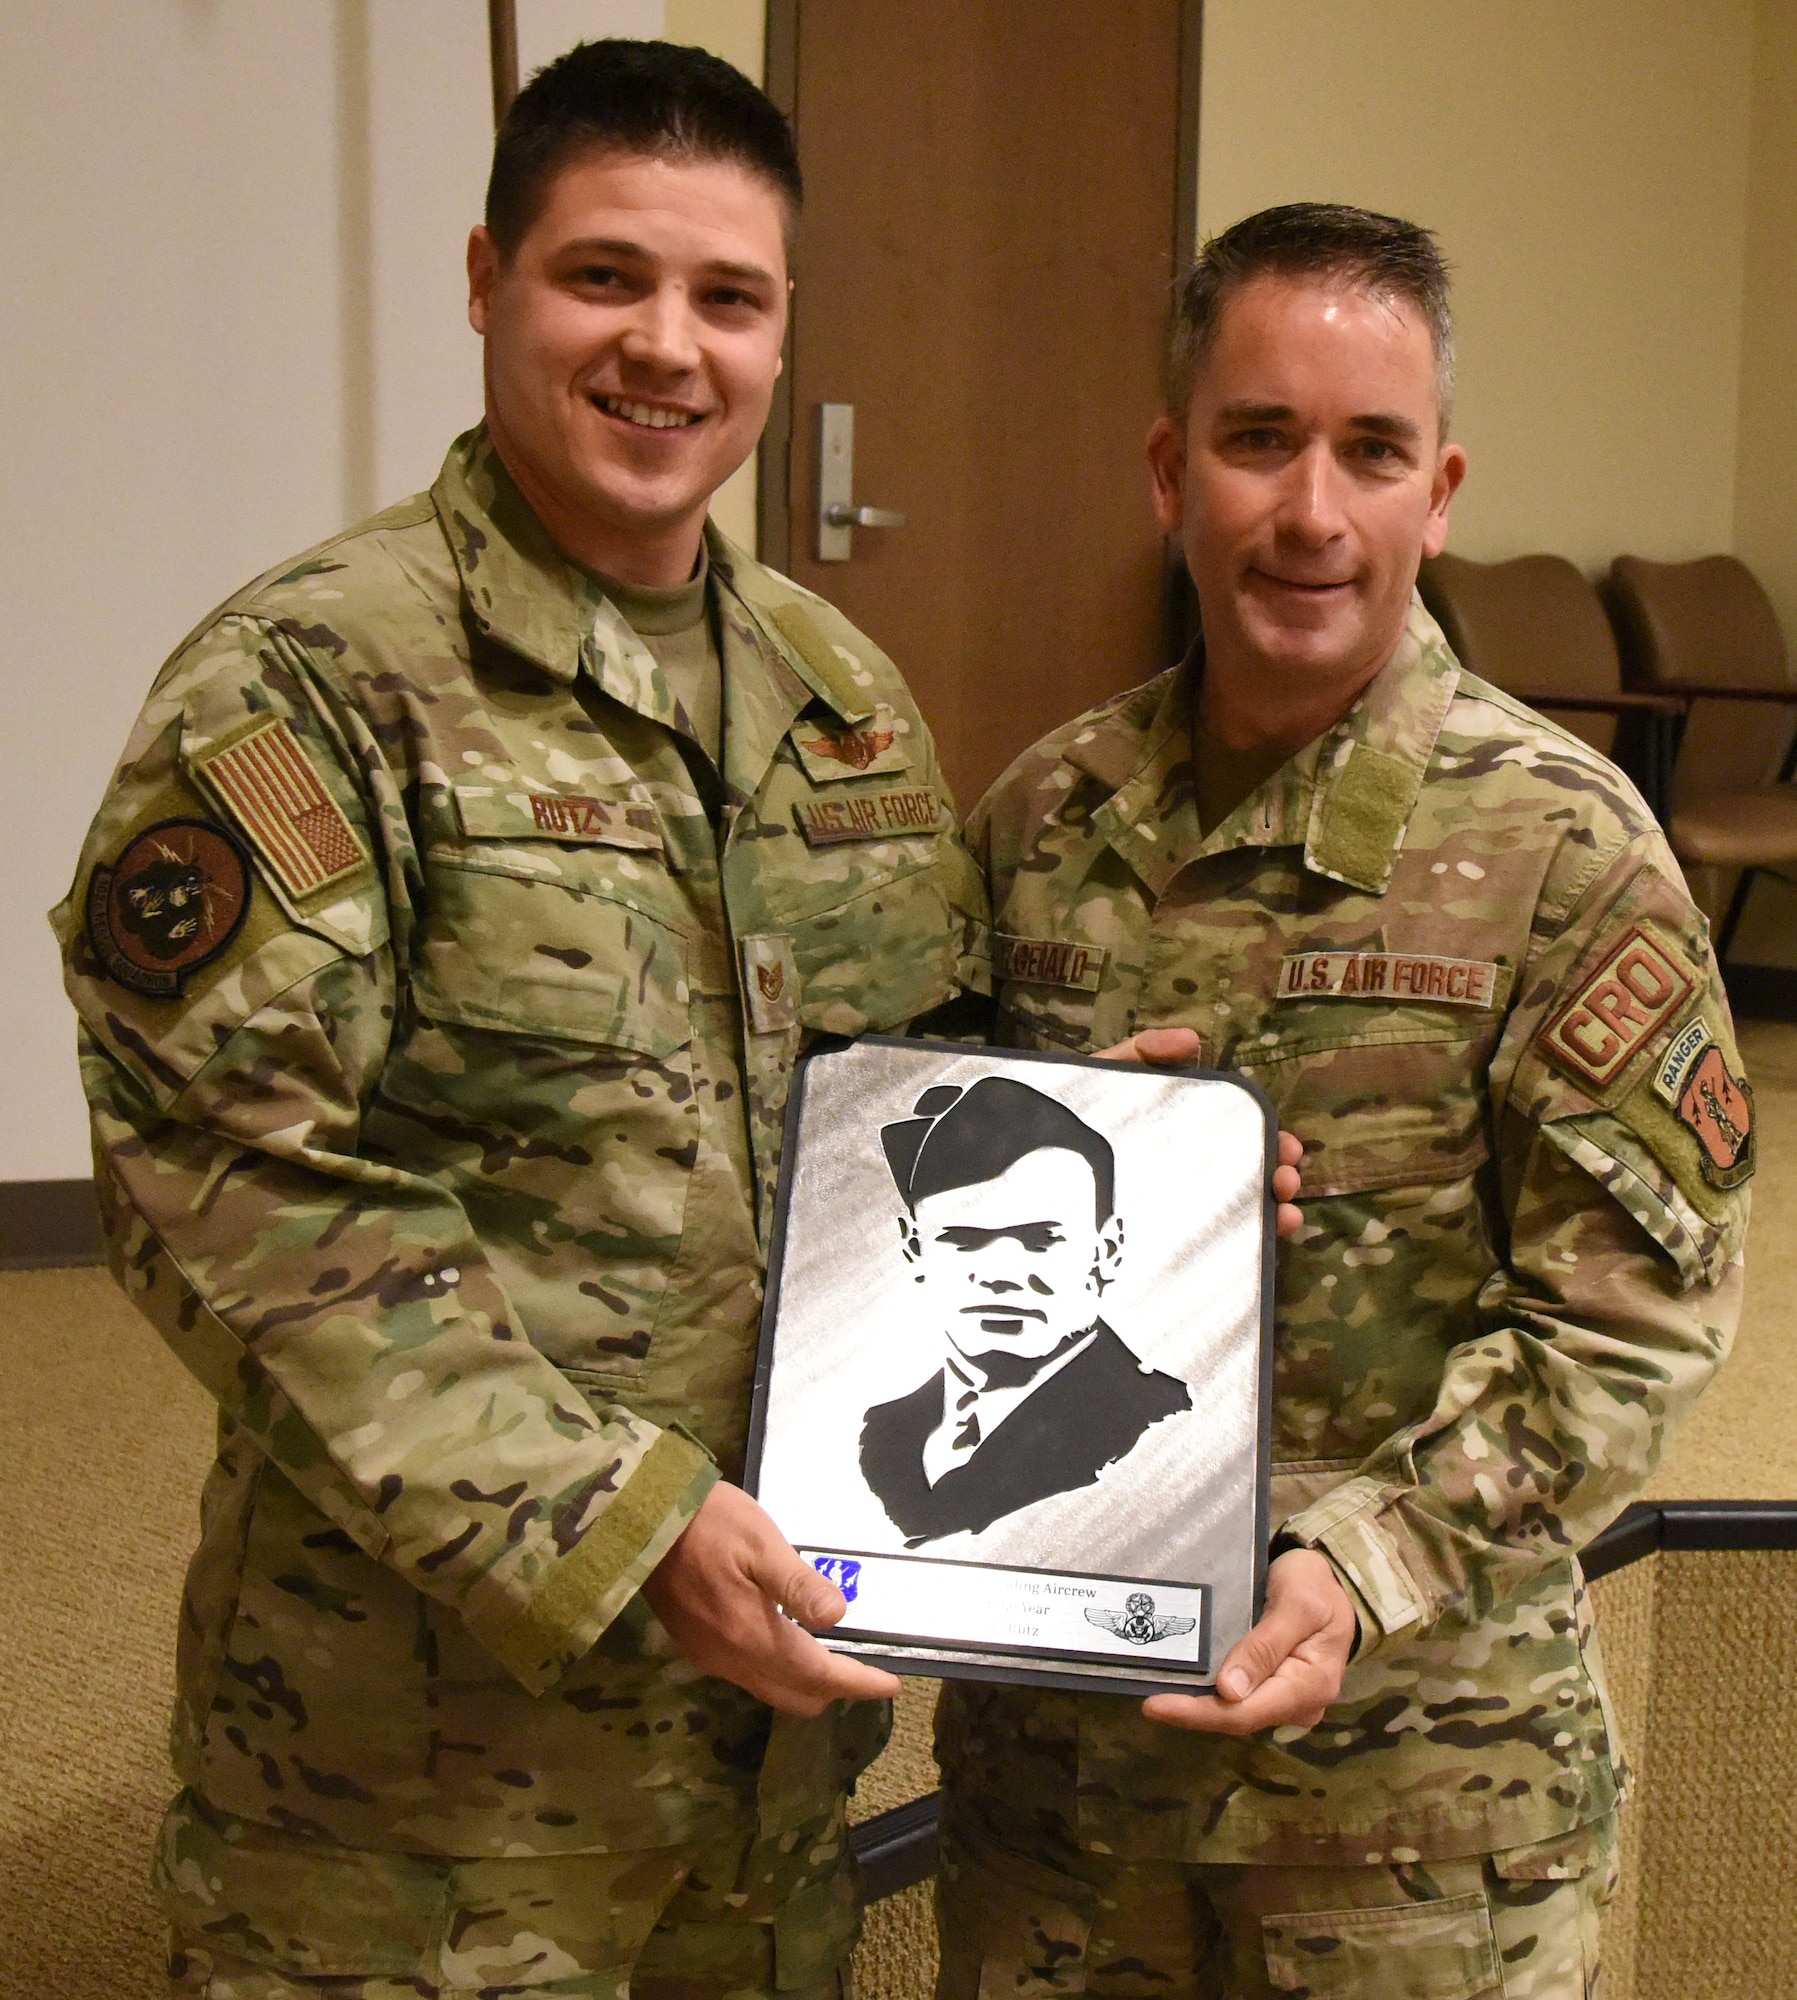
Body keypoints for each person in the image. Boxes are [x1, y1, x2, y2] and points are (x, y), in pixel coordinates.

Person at [53, 40, 993, 2000]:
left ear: (781, 325)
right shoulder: (311, 684)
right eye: (603, 277)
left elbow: (917, 1107)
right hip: (419, 1791)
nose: (668, 346)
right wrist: (621, 1523)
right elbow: (224, 1182)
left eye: (727, 296)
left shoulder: (846, 701)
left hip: (769, 1761)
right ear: (486, 280)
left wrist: (1112, 1157)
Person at [937, 204, 1750, 1998]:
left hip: (1422, 1810)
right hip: (1062, 1799)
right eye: (1257, 440)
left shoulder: (1565, 855)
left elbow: (1632, 1325)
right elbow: (892, 1241)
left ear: (1437, 490)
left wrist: (1361, 1562)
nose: (1312, 511)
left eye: (1370, 451)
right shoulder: (1035, 826)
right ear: (1169, 471)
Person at [861, 1076, 1191, 1543]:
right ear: (915, 1250)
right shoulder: (882, 1435)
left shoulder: (1165, 1425)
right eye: (963, 1239)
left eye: (1040, 1239)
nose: (1000, 1273)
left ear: (1108, 1249)